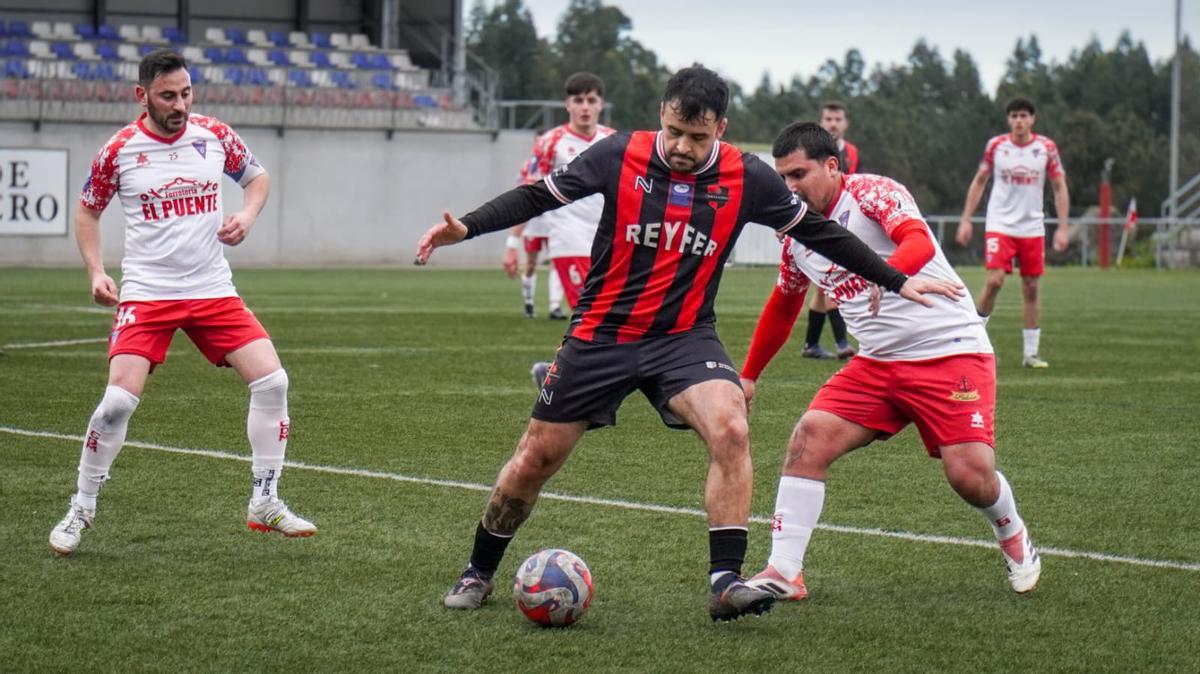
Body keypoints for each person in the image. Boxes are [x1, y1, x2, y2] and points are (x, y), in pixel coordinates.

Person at [416, 65, 964, 621]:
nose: (682, 146)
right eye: (674, 131)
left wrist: (895, 278)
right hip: (601, 333)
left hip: (684, 338)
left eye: (697, 137)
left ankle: (726, 581)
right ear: (662, 114)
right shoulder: (618, 155)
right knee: (536, 457)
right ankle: (478, 570)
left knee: (731, 427)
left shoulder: (747, 177)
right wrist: (468, 227)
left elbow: (822, 234)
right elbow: (539, 196)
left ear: (720, 128)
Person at [739, 122, 1040, 602]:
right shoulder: (794, 233)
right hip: (878, 363)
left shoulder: (872, 193)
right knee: (808, 439)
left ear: (831, 166)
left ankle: (1011, 530)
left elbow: (917, 240)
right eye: (783, 178)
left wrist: (887, 274)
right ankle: (784, 571)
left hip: (950, 349)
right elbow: (784, 302)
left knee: (970, 476)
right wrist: (749, 376)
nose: (790, 187)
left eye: (799, 174)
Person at [47, 49, 315, 557]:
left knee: (273, 381)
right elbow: (87, 212)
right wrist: (96, 271)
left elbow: (257, 177)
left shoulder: (214, 134)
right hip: (148, 293)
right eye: (168, 96)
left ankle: (265, 500)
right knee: (117, 403)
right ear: (142, 95)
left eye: (186, 93)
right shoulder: (119, 150)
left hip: (213, 289)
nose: (180, 105)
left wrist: (248, 215)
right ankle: (81, 508)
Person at [956, 96, 1070, 368]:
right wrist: (966, 219)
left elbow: (1059, 187)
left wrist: (1063, 227)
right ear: (1009, 120)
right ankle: (972, 341)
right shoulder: (996, 146)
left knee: (1031, 288)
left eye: (1024, 116)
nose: (1019, 121)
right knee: (994, 281)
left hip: (1032, 227)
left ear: (1032, 119)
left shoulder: (1046, 148)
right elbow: (979, 181)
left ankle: (1030, 354)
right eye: (1014, 116)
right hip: (1000, 225)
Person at [502, 73, 615, 320]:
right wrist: (512, 243)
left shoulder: (613, 140)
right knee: (589, 315)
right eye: (578, 100)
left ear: (601, 104)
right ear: (568, 104)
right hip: (568, 235)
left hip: (608, 239)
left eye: (591, 100)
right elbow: (530, 195)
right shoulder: (550, 142)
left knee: (609, 316)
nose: (585, 107)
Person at [799, 101, 860, 360]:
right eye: (828, 119)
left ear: (845, 123)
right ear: (821, 122)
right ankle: (842, 344)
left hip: (841, 223)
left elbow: (853, 186)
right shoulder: (810, 151)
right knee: (830, 281)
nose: (833, 124)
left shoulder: (853, 152)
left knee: (822, 287)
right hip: (816, 223)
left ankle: (811, 344)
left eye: (837, 119)